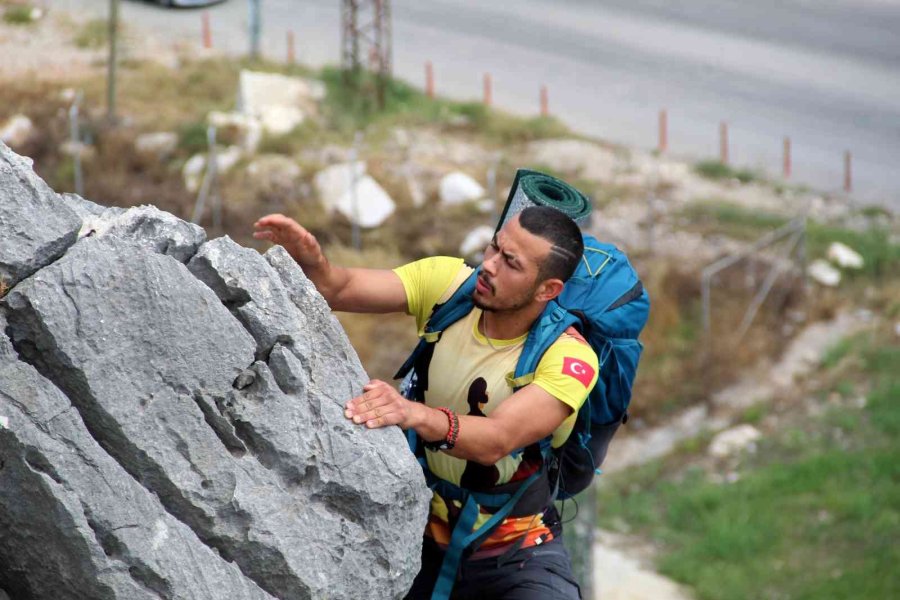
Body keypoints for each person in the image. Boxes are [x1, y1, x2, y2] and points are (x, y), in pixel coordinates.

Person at [253, 205, 598, 599]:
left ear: (547, 290)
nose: (489, 265)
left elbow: (497, 439)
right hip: (418, 535)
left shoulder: (568, 358)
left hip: (517, 553)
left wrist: (414, 414)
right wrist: (314, 261)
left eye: (511, 263)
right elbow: (338, 289)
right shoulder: (450, 286)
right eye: (494, 248)